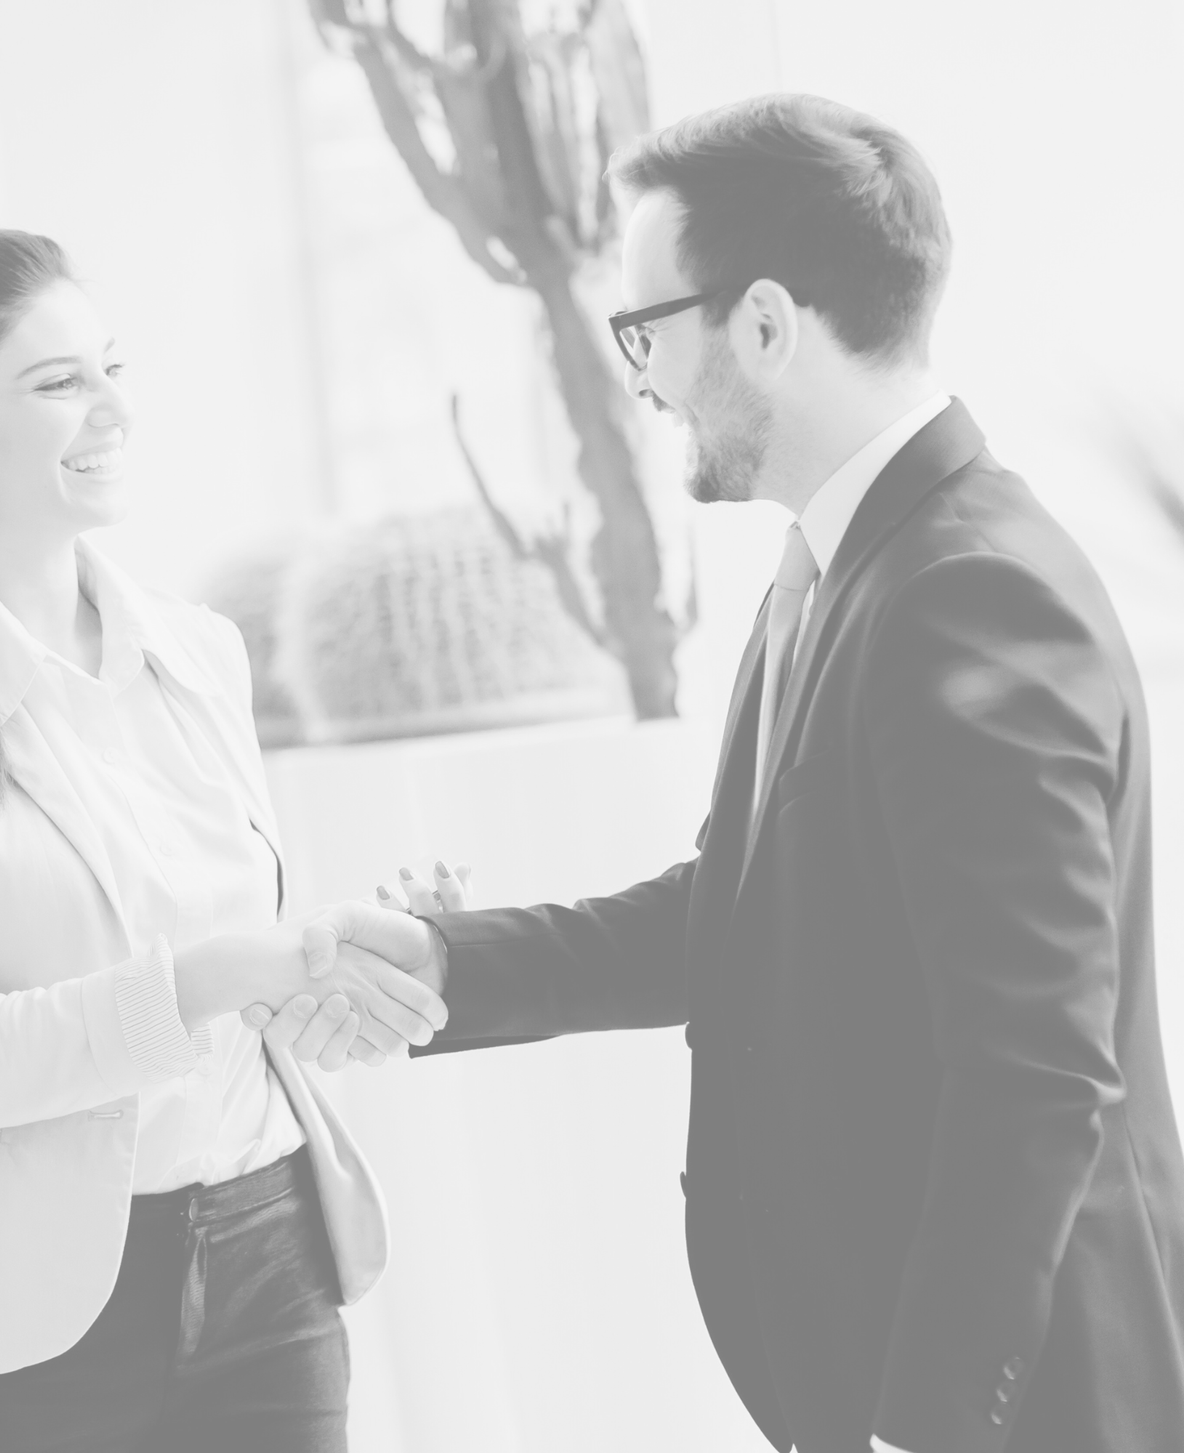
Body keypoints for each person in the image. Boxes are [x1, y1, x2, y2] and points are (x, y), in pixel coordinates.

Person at [334, 96, 1184, 1453]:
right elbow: (747, 907)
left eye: (646, 329)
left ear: (768, 325)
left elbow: (1034, 1074)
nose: (640, 378)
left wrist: (925, 1428)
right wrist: (446, 963)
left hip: (1022, 1404)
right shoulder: (833, 564)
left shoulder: (967, 593)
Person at [0, 228, 447, 1451]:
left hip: (270, 1263)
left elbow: (235, 982)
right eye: (57, 383)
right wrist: (209, 977)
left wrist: (332, 970)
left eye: (111, 369)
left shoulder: (200, 650)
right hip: (9, 1322)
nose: (113, 409)